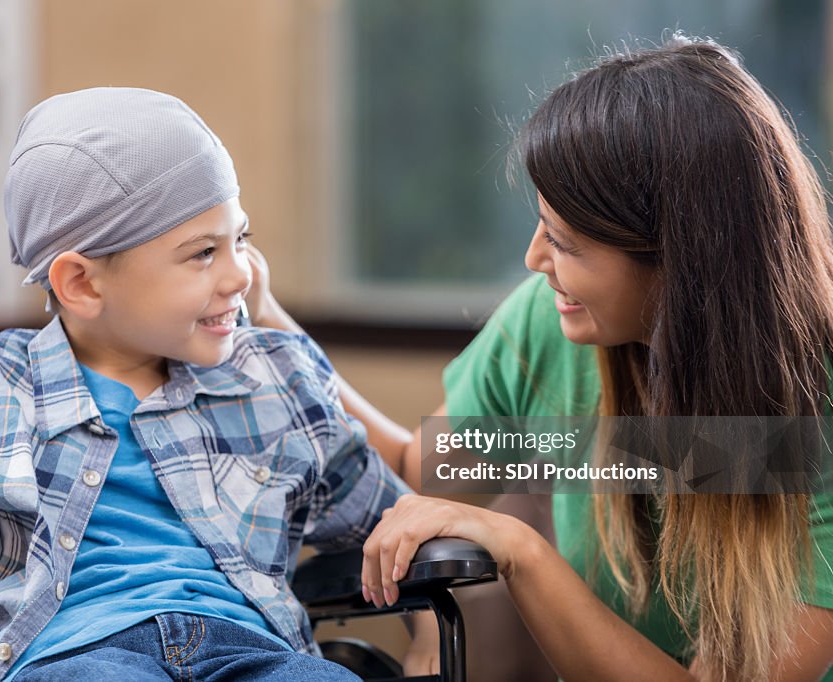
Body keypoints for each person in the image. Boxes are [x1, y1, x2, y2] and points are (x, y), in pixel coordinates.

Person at [250, 36, 833, 681]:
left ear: (681, 258)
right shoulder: (549, 327)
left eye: (564, 242)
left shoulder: (815, 418)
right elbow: (426, 472)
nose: (534, 260)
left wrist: (523, 552)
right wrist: (268, 321)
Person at [0, 87, 410, 681]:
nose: (243, 275)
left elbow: (395, 513)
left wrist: (430, 630)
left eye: (241, 239)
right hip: (69, 654)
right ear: (83, 284)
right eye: (203, 252)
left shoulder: (273, 380)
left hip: (254, 650)